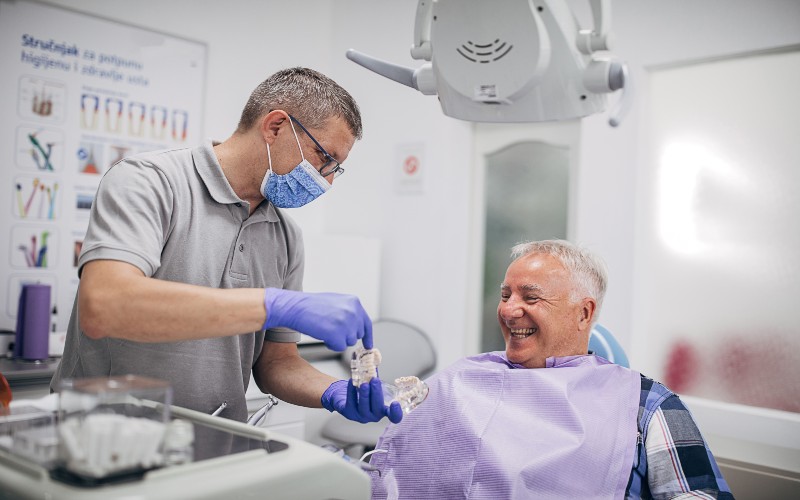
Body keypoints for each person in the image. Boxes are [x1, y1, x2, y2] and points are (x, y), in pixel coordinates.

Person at [50, 67, 402, 426]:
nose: (327, 180)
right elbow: (105, 306)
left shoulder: (285, 236)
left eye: (336, 169)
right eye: (324, 158)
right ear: (275, 127)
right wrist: (271, 305)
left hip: (213, 447)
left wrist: (334, 391)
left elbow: (276, 363)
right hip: (105, 444)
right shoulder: (148, 182)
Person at [369, 239, 732, 499]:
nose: (509, 310)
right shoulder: (461, 377)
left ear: (584, 313)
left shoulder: (645, 403)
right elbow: (386, 466)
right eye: (506, 294)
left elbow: (697, 493)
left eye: (531, 297)